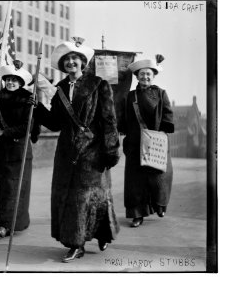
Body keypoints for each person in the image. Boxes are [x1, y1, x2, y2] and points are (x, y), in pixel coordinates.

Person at [33, 37, 120, 263]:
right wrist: (38, 108)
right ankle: (76, 243)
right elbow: (55, 122)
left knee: (93, 196)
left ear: (82, 62)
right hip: (66, 151)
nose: (71, 62)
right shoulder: (60, 88)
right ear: (62, 65)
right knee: (72, 198)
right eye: (67, 60)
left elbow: (109, 120)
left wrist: (111, 149)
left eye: (75, 58)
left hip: (93, 150)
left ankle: (101, 233)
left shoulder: (99, 84)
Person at [119, 55, 174, 228]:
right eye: (142, 74)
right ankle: (137, 214)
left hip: (157, 141)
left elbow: (167, 114)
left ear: (154, 76)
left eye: (148, 74)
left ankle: (160, 203)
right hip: (135, 143)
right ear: (136, 76)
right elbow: (123, 119)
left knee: (160, 177)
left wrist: (163, 132)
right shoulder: (130, 96)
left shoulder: (161, 93)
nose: (145, 77)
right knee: (135, 181)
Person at [0, 60, 34, 238]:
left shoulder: (27, 99)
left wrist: (3, 132)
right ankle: (4, 221)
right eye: (8, 79)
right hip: (4, 150)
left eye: (15, 80)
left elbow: (27, 127)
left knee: (16, 189)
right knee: (4, 188)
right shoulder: (0, 97)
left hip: (19, 150)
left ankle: (8, 225)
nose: (10, 83)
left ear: (21, 82)